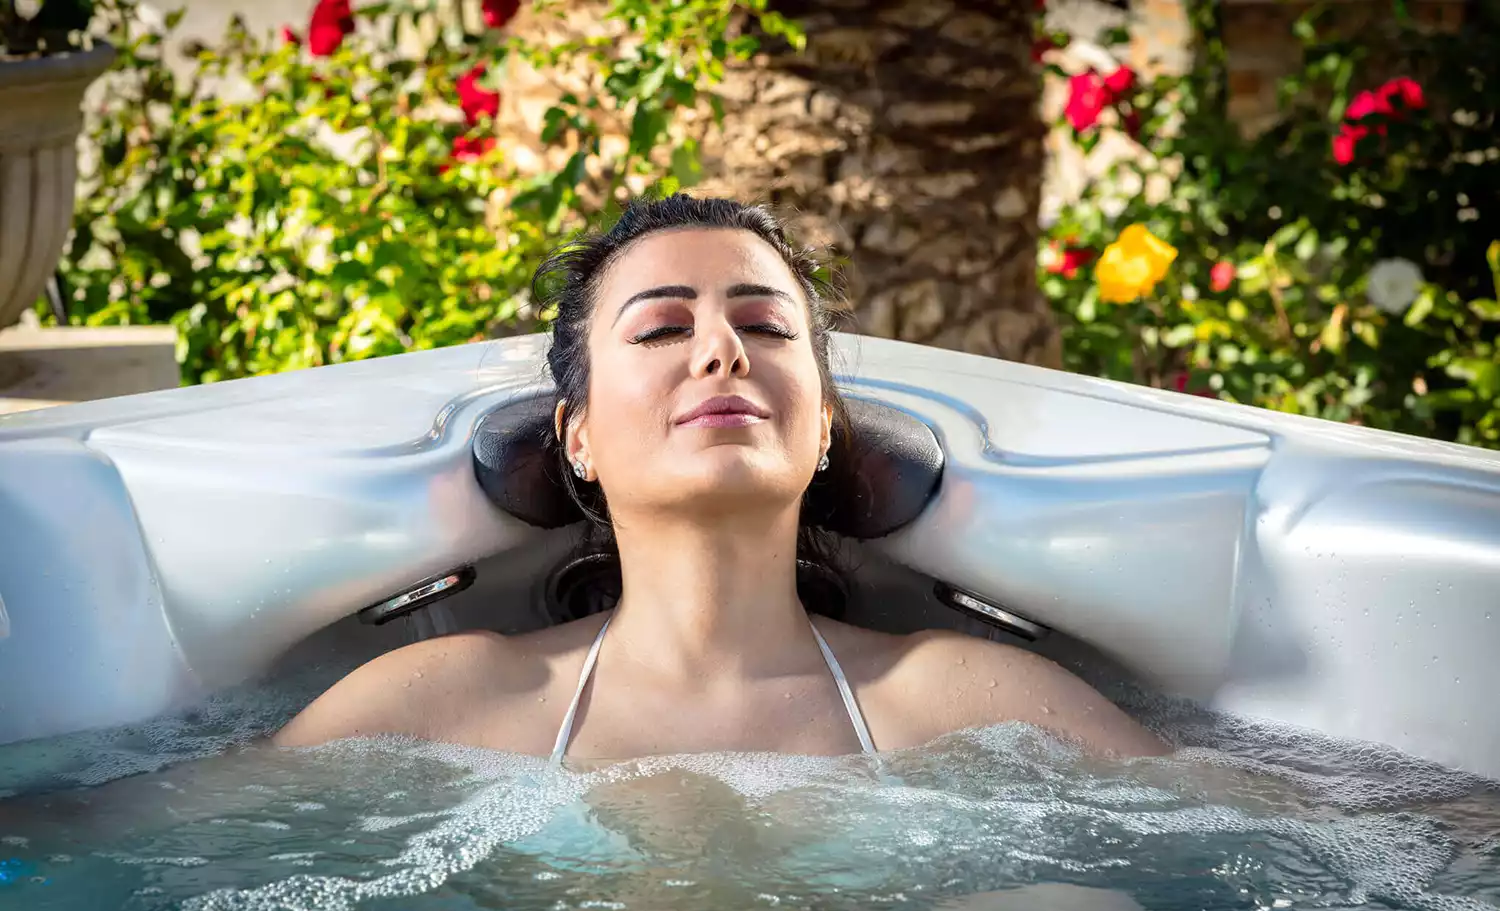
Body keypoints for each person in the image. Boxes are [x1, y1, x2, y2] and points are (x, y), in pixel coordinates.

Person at [274, 193, 1168, 762]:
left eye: (768, 328)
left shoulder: (978, 704)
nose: (722, 350)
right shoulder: (437, 702)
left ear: (822, 426)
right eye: (662, 328)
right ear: (576, 435)